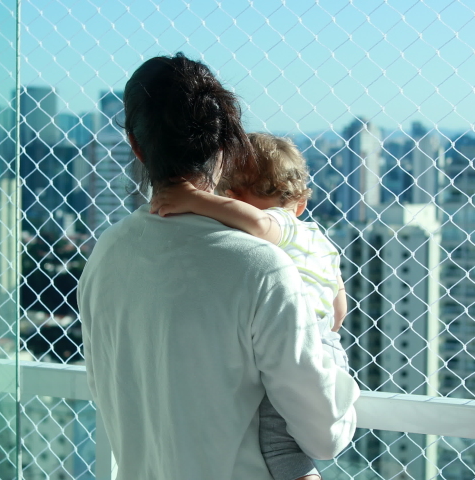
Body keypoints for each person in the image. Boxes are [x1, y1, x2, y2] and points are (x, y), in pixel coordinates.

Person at [78, 53, 359, 480]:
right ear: (229, 143)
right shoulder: (264, 268)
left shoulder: (107, 254)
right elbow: (327, 435)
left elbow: (108, 394)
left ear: (135, 145)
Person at [150, 132, 350, 480]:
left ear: (232, 197)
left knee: (278, 445)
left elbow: (258, 223)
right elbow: (339, 310)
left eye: (232, 201)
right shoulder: (322, 240)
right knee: (297, 436)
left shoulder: (281, 224)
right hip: (329, 347)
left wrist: (193, 199)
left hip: (297, 340)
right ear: (301, 202)